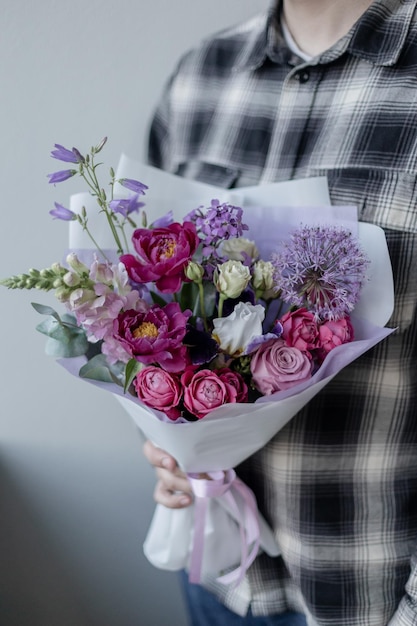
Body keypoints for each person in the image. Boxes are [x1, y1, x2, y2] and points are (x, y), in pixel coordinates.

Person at [143, 0, 417, 624]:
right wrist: (167, 436)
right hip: (217, 575)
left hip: (368, 596)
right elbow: (158, 305)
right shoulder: (201, 76)